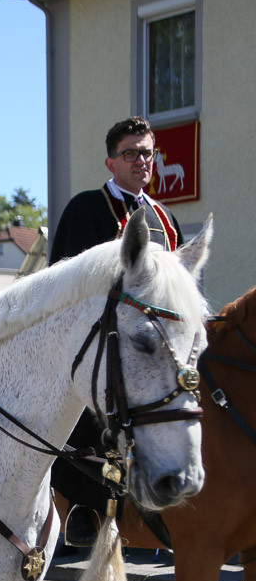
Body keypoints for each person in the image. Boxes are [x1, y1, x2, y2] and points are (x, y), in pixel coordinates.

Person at [48, 116, 183, 547]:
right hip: (98, 332)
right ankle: (85, 505)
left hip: (154, 339)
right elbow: (66, 279)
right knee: (96, 397)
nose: (142, 160)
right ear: (111, 162)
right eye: (131, 153)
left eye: (148, 152)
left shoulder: (166, 218)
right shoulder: (87, 208)